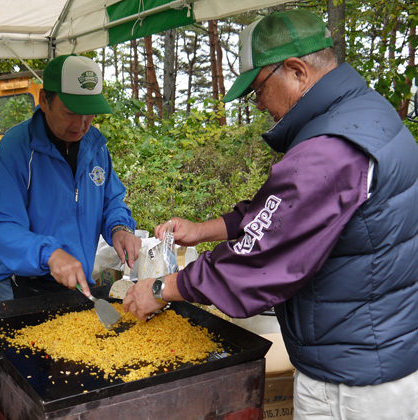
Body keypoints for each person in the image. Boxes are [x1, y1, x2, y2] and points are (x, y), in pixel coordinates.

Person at [123, 10, 418, 420]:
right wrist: (205, 229)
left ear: (296, 71)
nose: (259, 103)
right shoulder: (366, 113)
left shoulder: (330, 149)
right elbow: (281, 212)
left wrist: (159, 289)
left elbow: (259, 256)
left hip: (353, 383)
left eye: (258, 89)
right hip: (381, 350)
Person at [0, 54, 141, 300]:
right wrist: (50, 254)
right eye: (70, 112)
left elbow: (112, 202)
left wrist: (119, 228)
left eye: (90, 114)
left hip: (78, 284)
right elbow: (1, 223)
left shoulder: (96, 147)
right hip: (22, 287)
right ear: (44, 100)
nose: (81, 124)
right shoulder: (17, 148)